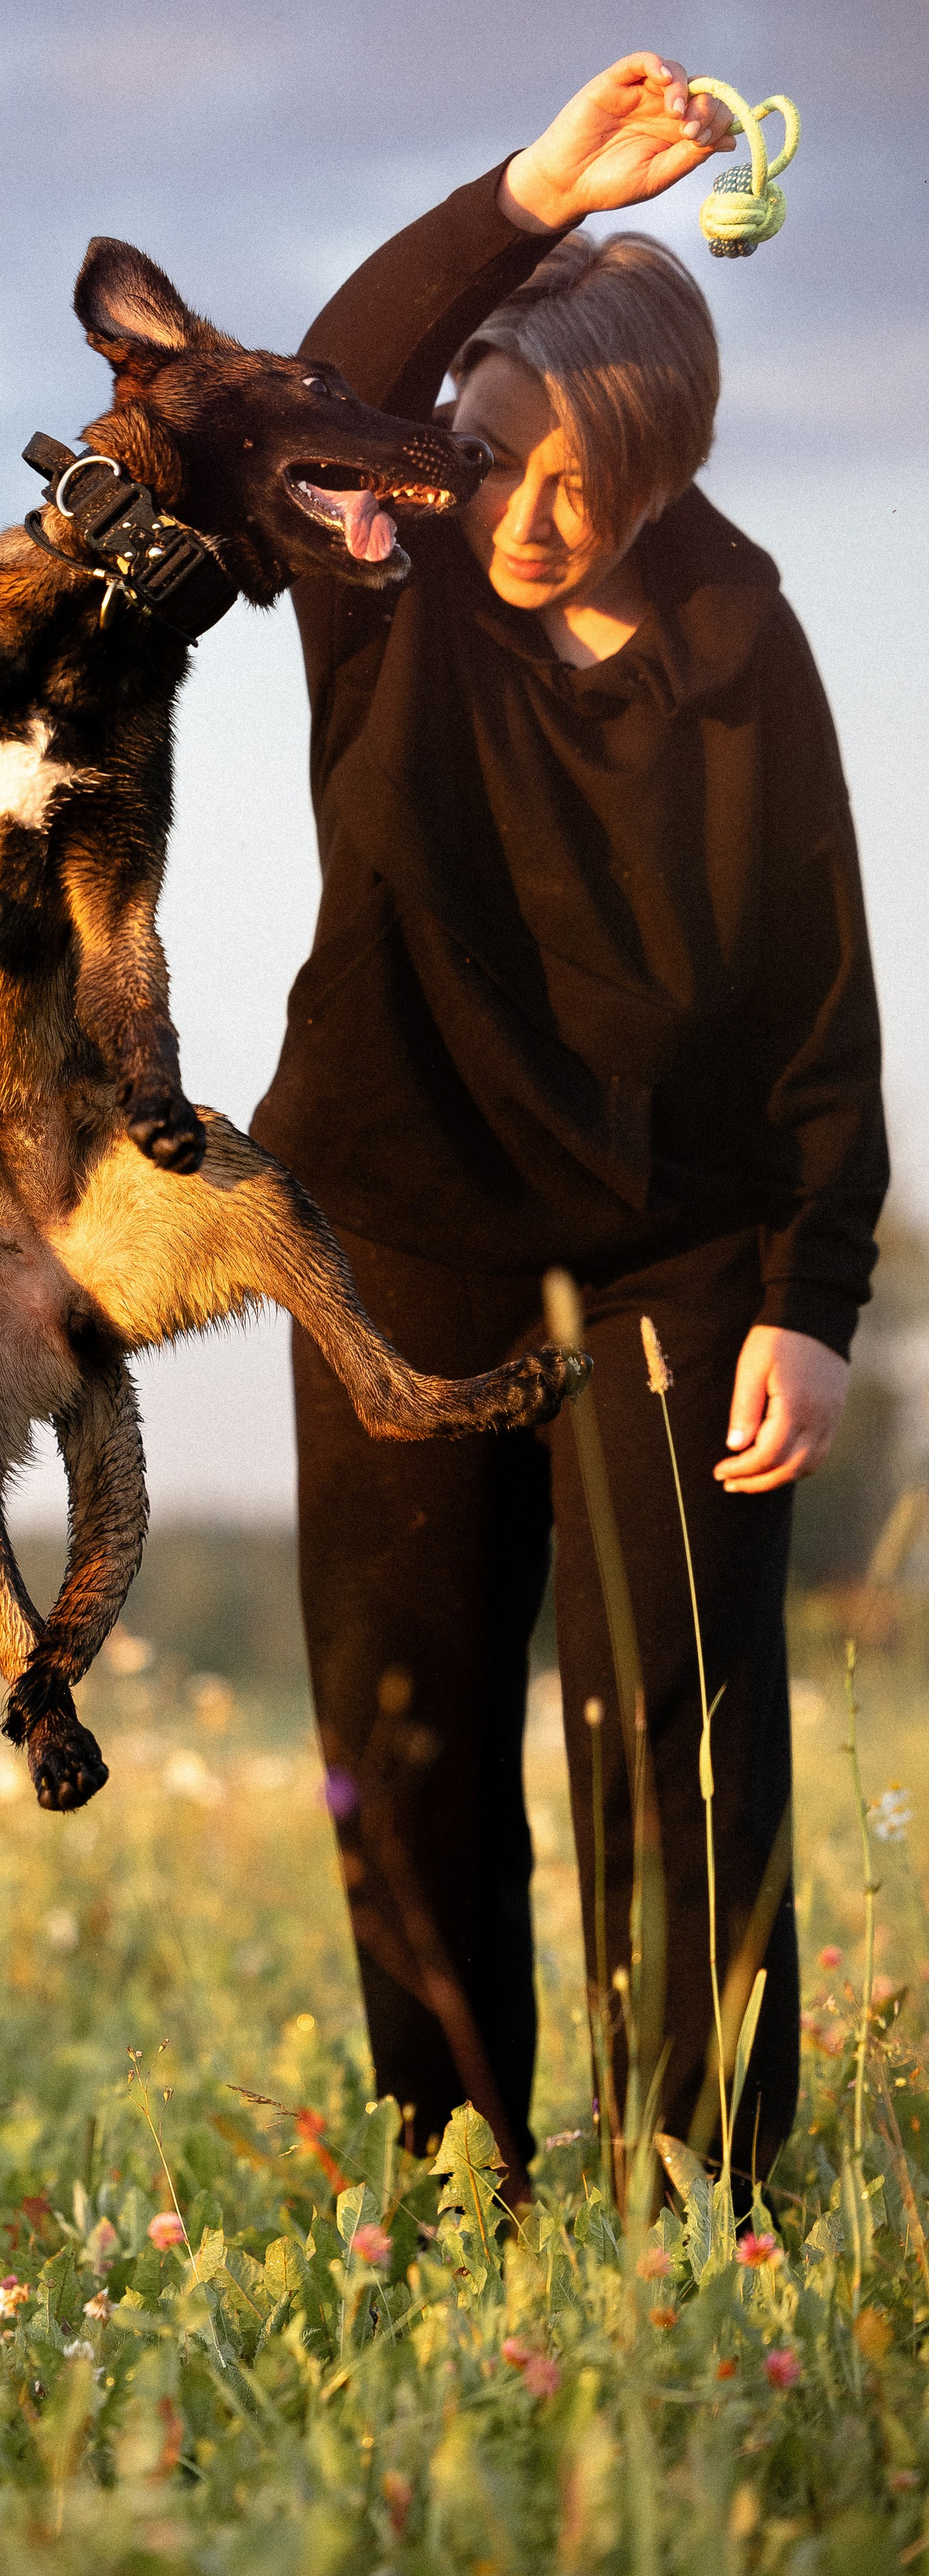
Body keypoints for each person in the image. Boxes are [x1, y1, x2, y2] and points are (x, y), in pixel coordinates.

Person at [250, 54, 887, 2190]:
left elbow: (817, 1003)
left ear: (666, 463)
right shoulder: (387, 558)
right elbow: (323, 378)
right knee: (405, 1734)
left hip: (673, 1251)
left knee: (676, 1744)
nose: (524, 519)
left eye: (580, 483)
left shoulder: (744, 643)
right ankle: (454, 2171)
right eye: (498, 458)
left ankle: (698, 2192)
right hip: (399, 1233)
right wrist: (531, 194)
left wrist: (814, 1297)